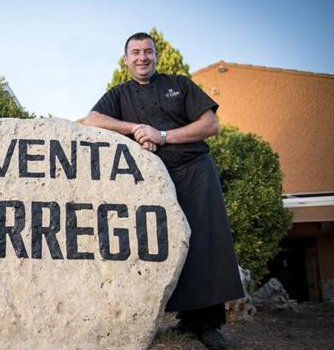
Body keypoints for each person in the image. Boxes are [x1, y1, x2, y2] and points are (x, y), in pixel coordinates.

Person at [82, 32, 244, 350]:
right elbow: (91, 120)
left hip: (195, 172)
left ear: (156, 56)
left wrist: (163, 135)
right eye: (135, 53)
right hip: (151, 180)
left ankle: (208, 325)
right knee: (158, 243)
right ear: (125, 60)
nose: (142, 57)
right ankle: (178, 317)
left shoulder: (180, 85)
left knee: (204, 242)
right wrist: (135, 129)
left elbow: (210, 125)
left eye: (148, 51)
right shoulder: (118, 94)